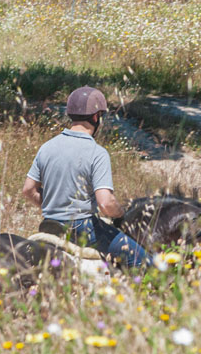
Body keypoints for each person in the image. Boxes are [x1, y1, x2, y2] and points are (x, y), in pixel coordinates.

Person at [21, 86, 152, 267]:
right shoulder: (97, 152)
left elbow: (28, 190)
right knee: (146, 263)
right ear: (96, 116)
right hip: (83, 229)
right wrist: (120, 213)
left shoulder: (47, 147)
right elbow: (105, 203)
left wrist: (54, 206)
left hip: (49, 224)